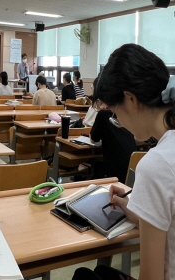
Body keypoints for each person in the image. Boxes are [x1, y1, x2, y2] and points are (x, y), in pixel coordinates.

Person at [73, 43, 175, 280]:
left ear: (130, 99)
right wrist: (136, 208)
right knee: (101, 272)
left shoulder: (157, 164)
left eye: (115, 113)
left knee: (84, 276)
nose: (119, 122)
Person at [90, 109, 137, 183]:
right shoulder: (128, 113)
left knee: (96, 167)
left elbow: (94, 139)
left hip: (115, 174)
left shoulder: (103, 114)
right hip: (132, 171)